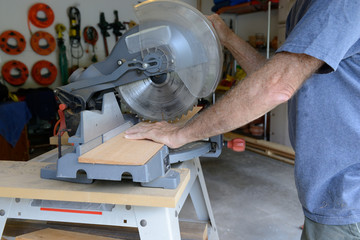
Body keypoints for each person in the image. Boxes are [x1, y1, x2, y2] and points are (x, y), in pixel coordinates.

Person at [125, 0, 360, 239]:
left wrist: (179, 133)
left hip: (349, 198)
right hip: (326, 194)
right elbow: (272, 72)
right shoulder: (303, 6)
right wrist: (226, 36)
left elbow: (276, 84)